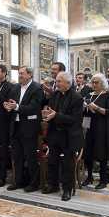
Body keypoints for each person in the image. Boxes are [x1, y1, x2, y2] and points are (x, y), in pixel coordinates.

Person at [42, 72, 83, 201]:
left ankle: (67, 189)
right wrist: (47, 116)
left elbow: (75, 119)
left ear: (67, 83)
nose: (57, 83)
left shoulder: (77, 98)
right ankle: (52, 185)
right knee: (52, 161)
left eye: (59, 81)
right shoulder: (55, 95)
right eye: (57, 81)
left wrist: (56, 115)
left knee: (68, 164)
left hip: (69, 136)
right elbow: (51, 111)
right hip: (55, 134)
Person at [4, 66, 44, 192]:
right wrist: (8, 106)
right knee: (17, 156)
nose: (19, 75)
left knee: (30, 156)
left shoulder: (37, 88)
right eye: (19, 73)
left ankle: (33, 183)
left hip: (29, 127)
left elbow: (34, 107)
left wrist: (16, 107)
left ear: (30, 75)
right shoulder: (15, 87)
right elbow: (12, 103)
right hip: (15, 126)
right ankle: (18, 181)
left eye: (22, 73)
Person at [82, 73, 109, 190]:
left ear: (102, 83)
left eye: (96, 82)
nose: (94, 84)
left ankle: (103, 179)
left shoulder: (108, 95)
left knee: (101, 154)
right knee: (88, 153)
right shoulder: (89, 95)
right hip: (89, 126)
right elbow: (85, 114)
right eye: (93, 82)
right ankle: (89, 176)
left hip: (102, 127)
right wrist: (85, 107)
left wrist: (95, 107)